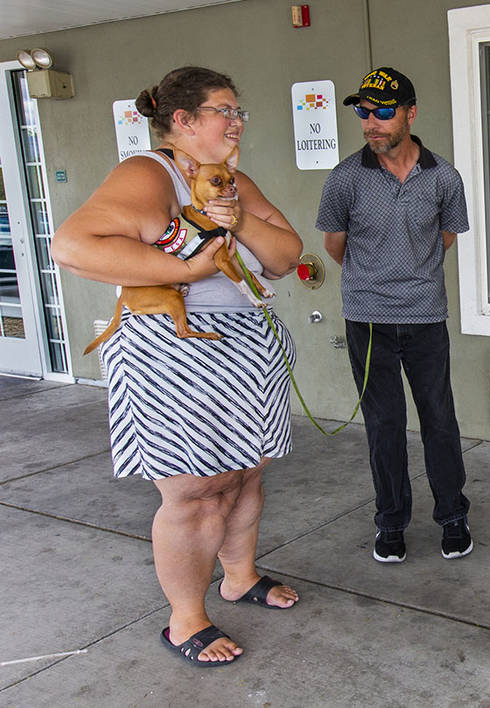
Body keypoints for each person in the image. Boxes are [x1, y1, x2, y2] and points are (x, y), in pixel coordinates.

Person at [52, 66, 303, 664]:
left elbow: (287, 254)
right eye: (226, 109)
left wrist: (239, 219)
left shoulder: (230, 181)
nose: (238, 121)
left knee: (245, 474)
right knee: (195, 493)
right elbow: (75, 245)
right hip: (174, 348)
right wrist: (189, 271)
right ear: (184, 121)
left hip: (243, 342)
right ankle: (185, 620)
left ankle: (238, 578)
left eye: (239, 111)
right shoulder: (150, 170)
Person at [316, 67, 472, 564]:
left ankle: (452, 516)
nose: (370, 123)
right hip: (368, 321)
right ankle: (390, 523)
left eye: (382, 112)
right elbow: (335, 245)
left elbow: (445, 238)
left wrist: (410, 273)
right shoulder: (345, 179)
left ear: (410, 113)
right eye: (363, 112)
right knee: (384, 426)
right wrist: (377, 280)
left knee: (440, 421)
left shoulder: (444, 177)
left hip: (427, 318)